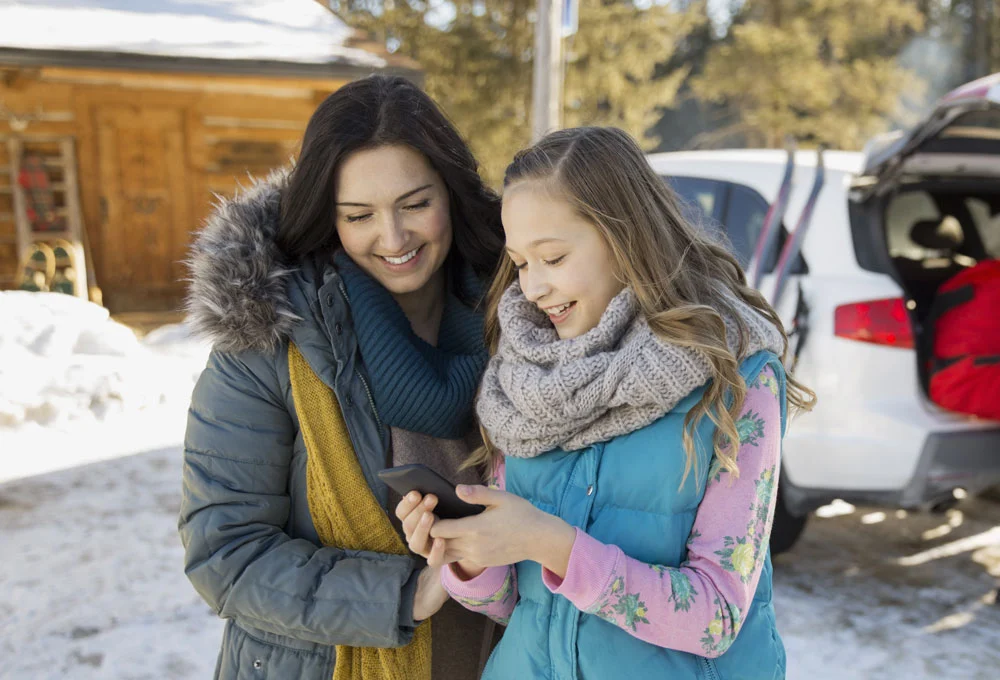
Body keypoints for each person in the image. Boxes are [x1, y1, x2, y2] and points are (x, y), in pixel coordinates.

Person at [398, 126, 816, 679]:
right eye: (521, 263)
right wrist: (469, 554)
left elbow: (715, 616)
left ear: (626, 238)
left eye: (553, 257)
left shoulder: (733, 376)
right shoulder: (522, 376)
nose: (532, 288)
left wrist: (554, 543)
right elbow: (514, 605)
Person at [179, 74, 505, 680]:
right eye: (359, 215)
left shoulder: (526, 315)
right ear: (327, 219)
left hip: (508, 656)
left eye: (415, 204)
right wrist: (407, 594)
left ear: (453, 194)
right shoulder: (267, 342)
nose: (393, 238)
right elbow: (225, 553)